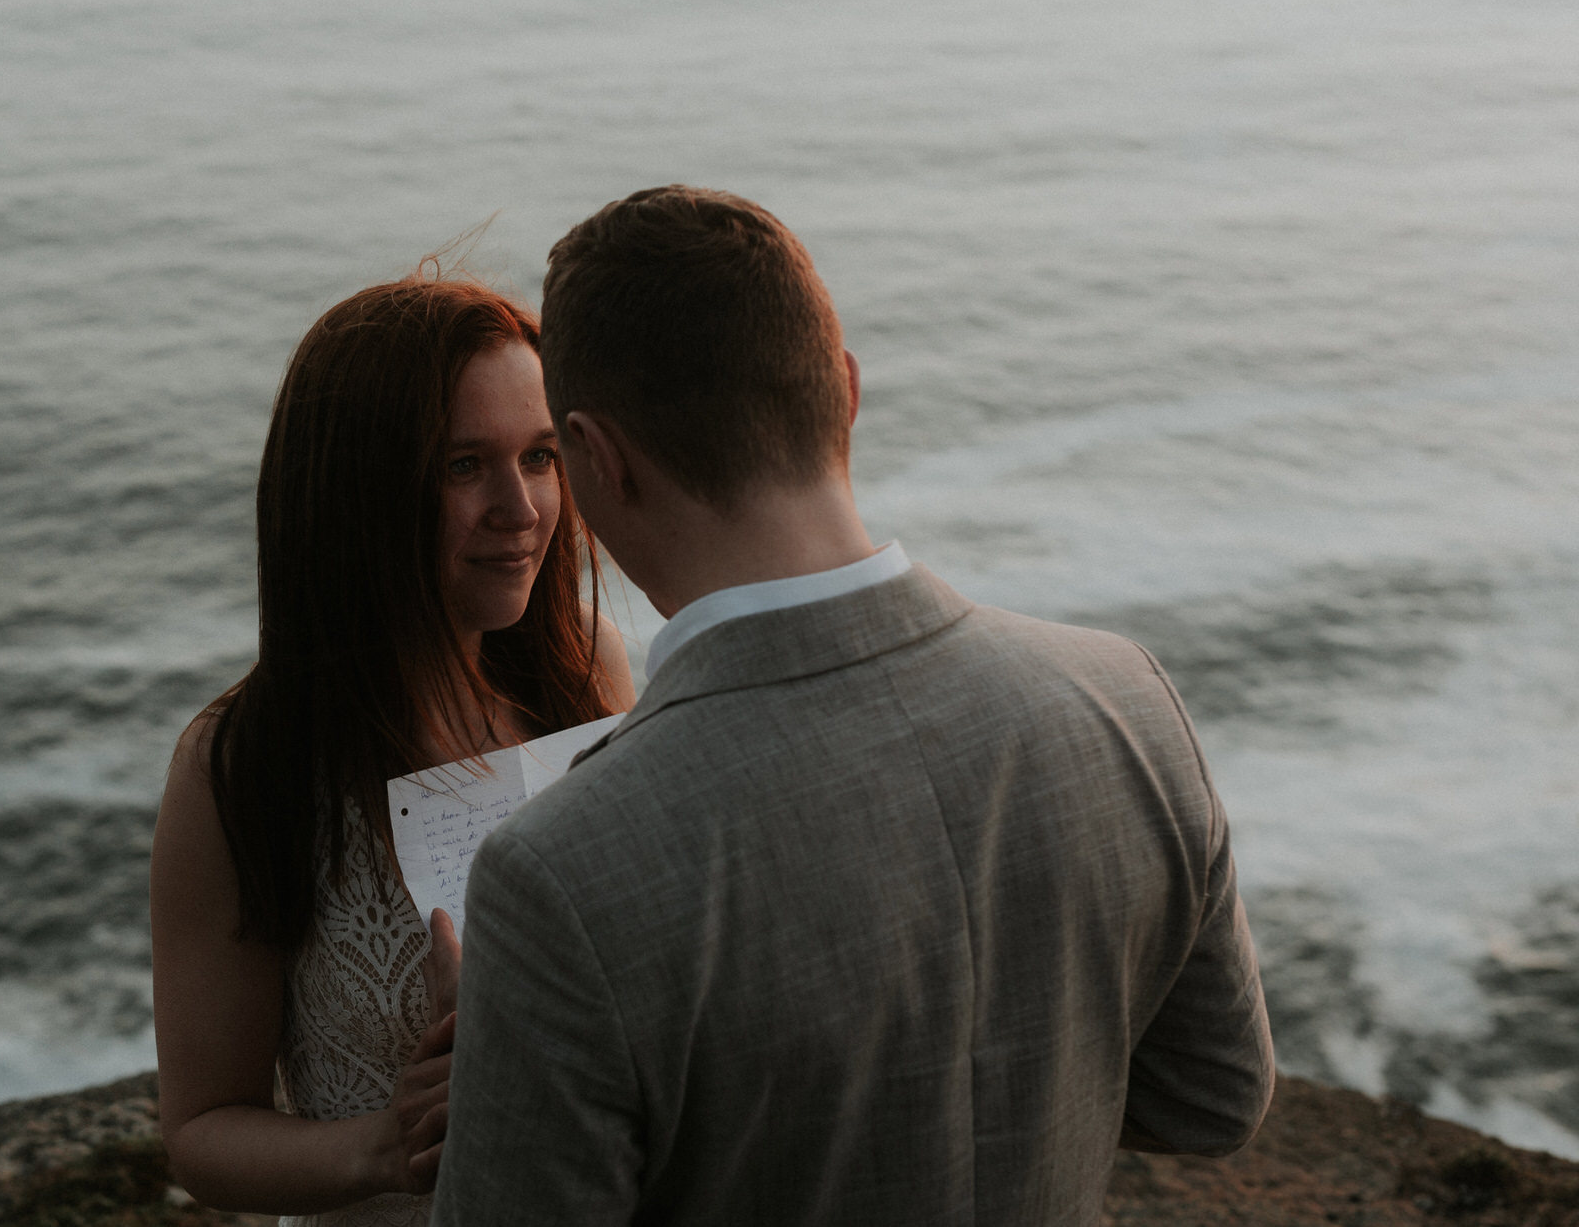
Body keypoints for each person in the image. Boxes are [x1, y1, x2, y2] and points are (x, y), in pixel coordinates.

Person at [432, 186, 1276, 1225]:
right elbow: (1212, 1098)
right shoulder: (1124, 698)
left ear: (596, 457)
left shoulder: (559, 870)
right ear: (842, 389)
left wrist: (517, 1073)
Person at [149, 274, 635, 1225]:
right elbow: (203, 1129)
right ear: (357, 490)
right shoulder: (243, 767)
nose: (523, 507)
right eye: (464, 465)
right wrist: (388, 1141)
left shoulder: (590, 676)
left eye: (540, 455)